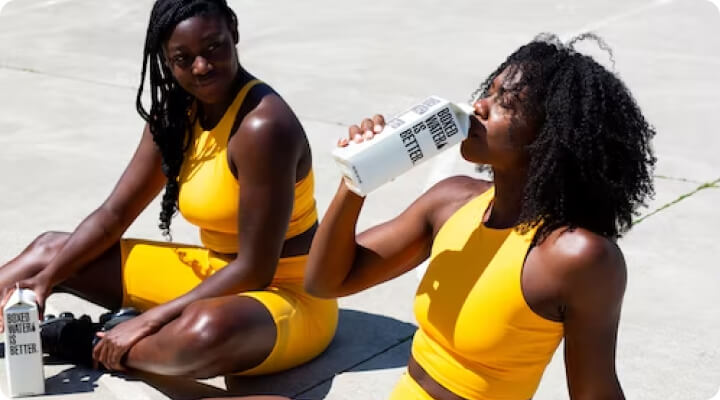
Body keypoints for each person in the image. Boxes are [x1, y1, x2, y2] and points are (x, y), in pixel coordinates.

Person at [305, 33, 655, 400]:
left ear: (551, 133)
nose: (479, 106)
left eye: (507, 101)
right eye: (489, 91)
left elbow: (593, 392)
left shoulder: (575, 256)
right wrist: (356, 178)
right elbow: (326, 282)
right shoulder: (452, 201)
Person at [0, 0, 337, 378]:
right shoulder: (175, 116)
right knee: (49, 252)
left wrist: (150, 320)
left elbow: (255, 270)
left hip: (283, 295)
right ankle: (130, 329)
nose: (201, 67)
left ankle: (80, 339)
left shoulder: (264, 127)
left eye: (213, 47)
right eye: (183, 58)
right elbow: (113, 215)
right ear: (166, 58)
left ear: (233, 30)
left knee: (204, 332)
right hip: (214, 274)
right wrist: (46, 281)